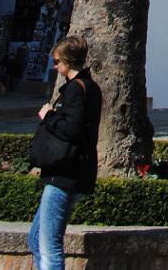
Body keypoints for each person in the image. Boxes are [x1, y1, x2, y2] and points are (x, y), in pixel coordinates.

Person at [28, 35, 101, 270]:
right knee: (35, 239)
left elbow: (72, 129)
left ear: (68, 62)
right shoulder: (89, 87)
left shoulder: (76, 90)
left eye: (57, 61)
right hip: (71, 172)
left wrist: (49, 115)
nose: (55, 66)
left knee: (50, 246)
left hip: (64, 175)